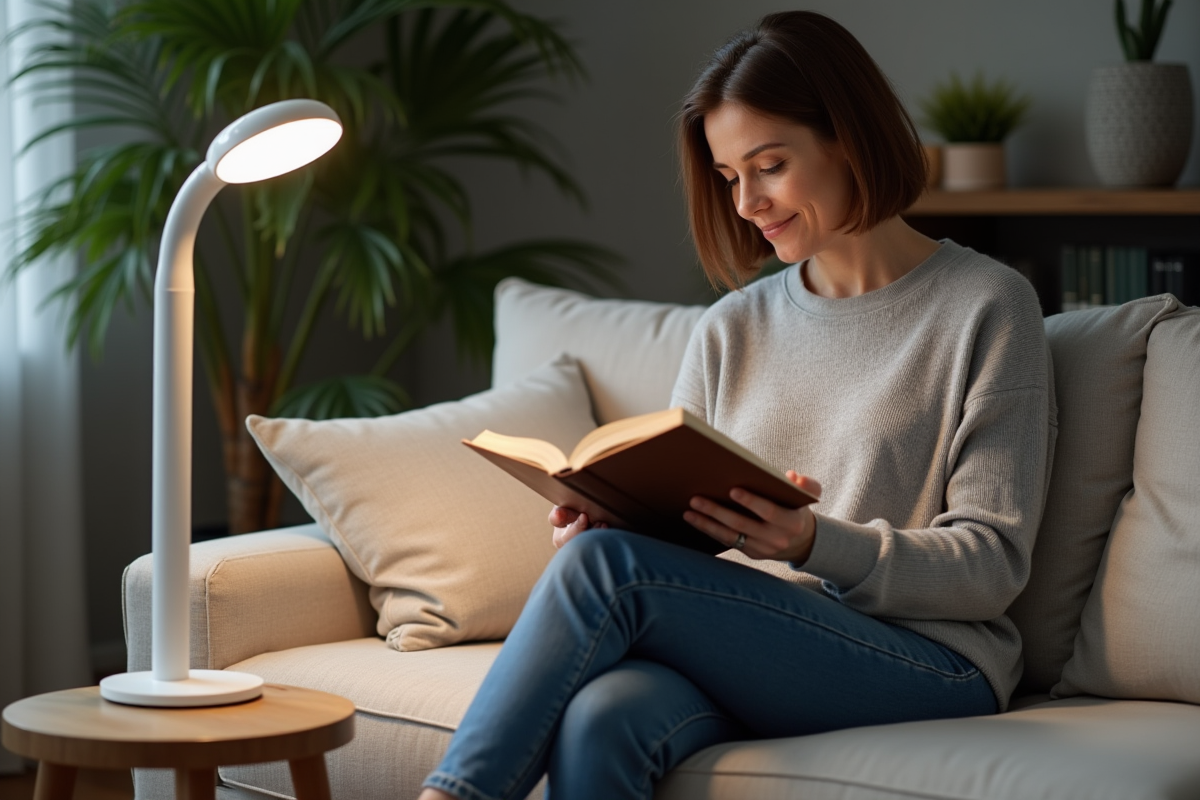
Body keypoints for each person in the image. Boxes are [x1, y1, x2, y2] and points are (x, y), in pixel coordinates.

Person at [419, 10, 1055, 800]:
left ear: (847, 138)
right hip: (766, 644)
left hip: (933, 660)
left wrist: (813, 541)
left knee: (606, 571)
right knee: (601, 715)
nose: (748, 202)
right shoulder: (733, 328)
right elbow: (687, 550)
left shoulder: (988, 305)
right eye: (729, 177)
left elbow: (992, 567)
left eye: (770, 165)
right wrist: (619, 519)